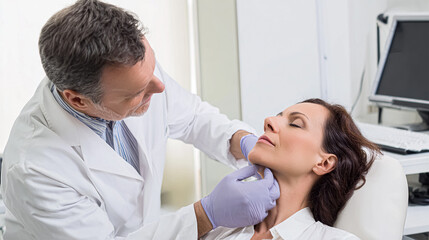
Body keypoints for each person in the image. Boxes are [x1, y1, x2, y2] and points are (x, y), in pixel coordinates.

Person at [0, 0, 279, 239]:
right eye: (138, 91)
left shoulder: (135, 71)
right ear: (78, 100)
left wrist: (240, 140)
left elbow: (193, 118)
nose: (159, 88)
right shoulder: (34, 169)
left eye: (151, 67)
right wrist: (205, 215)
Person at [202, 98, 381, 240]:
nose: (269, 121)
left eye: (295, 123)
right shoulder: (218, 228)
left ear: (324, 163)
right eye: (278, 116)